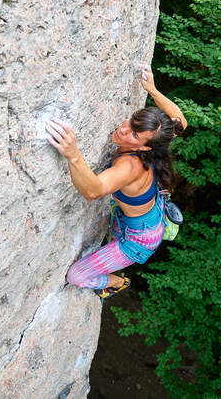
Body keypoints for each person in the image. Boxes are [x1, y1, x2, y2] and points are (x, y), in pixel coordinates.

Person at [46, 66, 187, 298]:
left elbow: (93, 190)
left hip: (139, 240)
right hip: (146, 218)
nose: (123, 130)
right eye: (131, 121)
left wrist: (73, 154)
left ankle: (117, 281)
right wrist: (152, 89)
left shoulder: (130, 166)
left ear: (143, 147)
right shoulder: (157, 137)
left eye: (133, 134)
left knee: (77, 276)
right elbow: (180, 119)